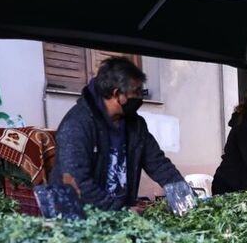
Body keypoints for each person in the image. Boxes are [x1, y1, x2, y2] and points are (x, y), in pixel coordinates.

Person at [50, 57, 183, 211]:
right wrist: (120, 211)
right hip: (78, 219)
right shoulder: (77, 125)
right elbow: (77, 181)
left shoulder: (136, 125)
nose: (141, 97)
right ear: (117, 94)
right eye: (137, 92)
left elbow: (159, 165)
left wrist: (185, 197)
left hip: (119, 219)